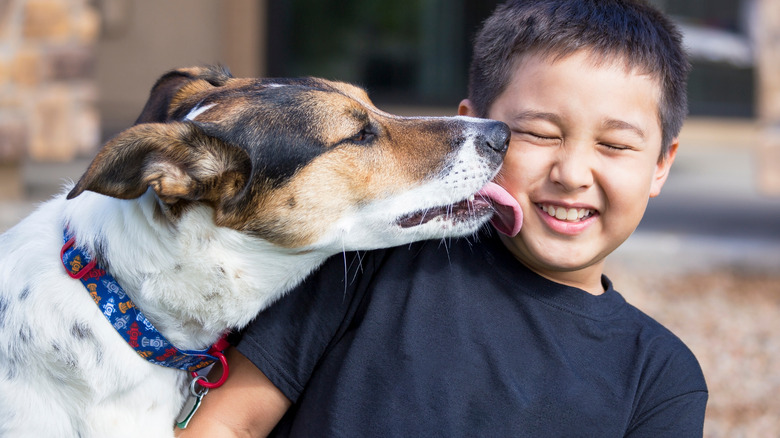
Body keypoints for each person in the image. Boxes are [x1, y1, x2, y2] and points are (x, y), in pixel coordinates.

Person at [179, 0, 708, 436]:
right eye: (540, 134)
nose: (571, 173)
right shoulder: (372, 257)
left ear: (662, 164)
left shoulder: (659, 377)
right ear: (470, 134)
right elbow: (229, 425)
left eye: (614, 145)